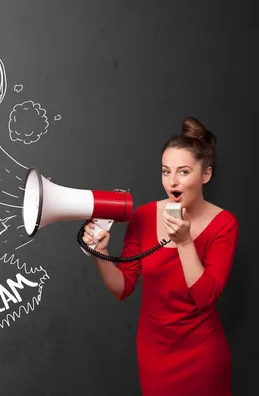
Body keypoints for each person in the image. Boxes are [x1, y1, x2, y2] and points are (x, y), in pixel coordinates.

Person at [82, 117, 239, 396]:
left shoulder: (224, 224)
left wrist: (185, 243)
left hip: (202, 355)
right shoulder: (142, 217)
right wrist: (101, 252)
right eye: (166, 171)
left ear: (206, 175)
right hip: (155, 355)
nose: (172, 182)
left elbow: (205, 297)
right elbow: (123, 288)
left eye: (184, 172)